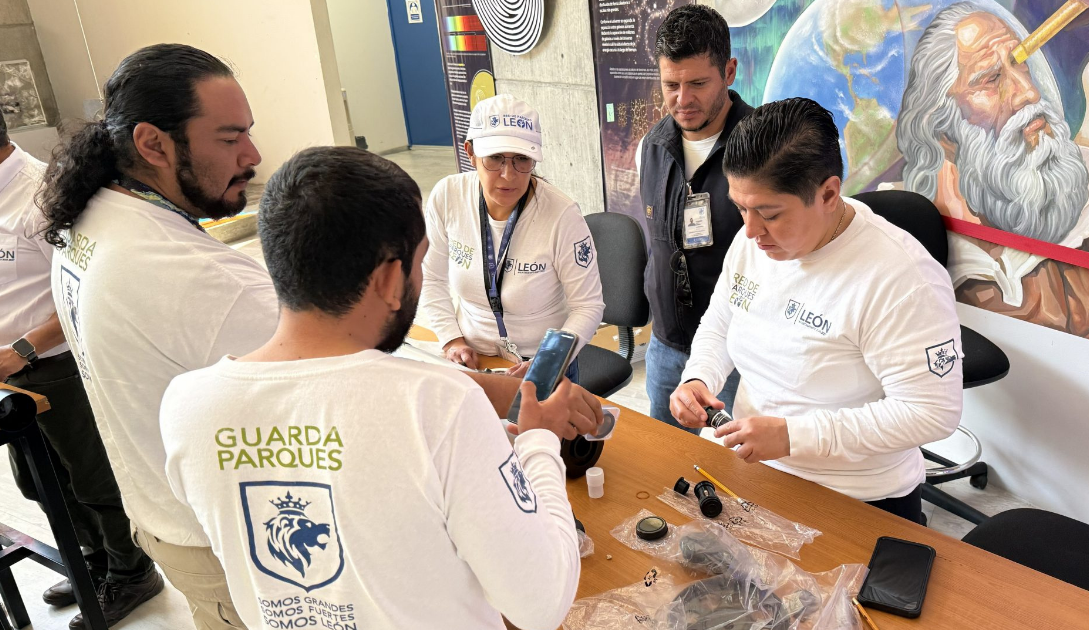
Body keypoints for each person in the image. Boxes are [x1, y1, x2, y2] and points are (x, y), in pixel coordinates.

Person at [161, 147, 597, 630]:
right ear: (392, 279)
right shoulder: (439, 408)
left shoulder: (186, 406)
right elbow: (541, 604)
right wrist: (538, 442)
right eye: (419, 263)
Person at [39, 43, 272, 629]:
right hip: (230, 544)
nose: (252, 154)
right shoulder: (197, 278)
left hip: (163, 511)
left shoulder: (88, 217)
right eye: (228, 138)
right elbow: (349, 389)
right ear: (152, 144)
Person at [670, 99, 963, 523]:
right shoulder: (754, 240)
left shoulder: (901, 278)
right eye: (740, 208)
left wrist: (795, 436)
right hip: (751, 473)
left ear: (828, 193)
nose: (750, 231)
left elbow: (931, 412)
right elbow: (722, 319)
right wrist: (700, 376)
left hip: (854, 497)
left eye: (769, 214)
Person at [894, 1, 1089, 354]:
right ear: (941, 130)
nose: (1028, 92)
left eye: (1021, 64)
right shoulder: (901, 252)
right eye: (991, 79)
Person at [1, 109, 157, 626]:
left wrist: (23, 348)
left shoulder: (38, 191)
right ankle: (91, 562)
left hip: (50, 364)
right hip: (7, 371)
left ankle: (132, 573)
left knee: (90, 478)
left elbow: (80, 286)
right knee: (38, 484)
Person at [421, 94, 604, 380]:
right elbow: (431, 278)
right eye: (494, 159)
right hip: (473, 357)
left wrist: (549, 362)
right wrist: (451, 338)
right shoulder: (448, 196)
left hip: (543, 362)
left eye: (522, 160)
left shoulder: (561, 215)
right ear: (470, 152)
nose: (508, 175)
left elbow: (588, 305)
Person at [637, 5, 754, 432]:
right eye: (671, 85)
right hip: (667, 343)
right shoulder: (652, 147)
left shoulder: (765, 150)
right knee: (667, 466)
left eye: (698, 83)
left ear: (730, 71)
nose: (682, 100)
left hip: (741, 349)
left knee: (743, 477)